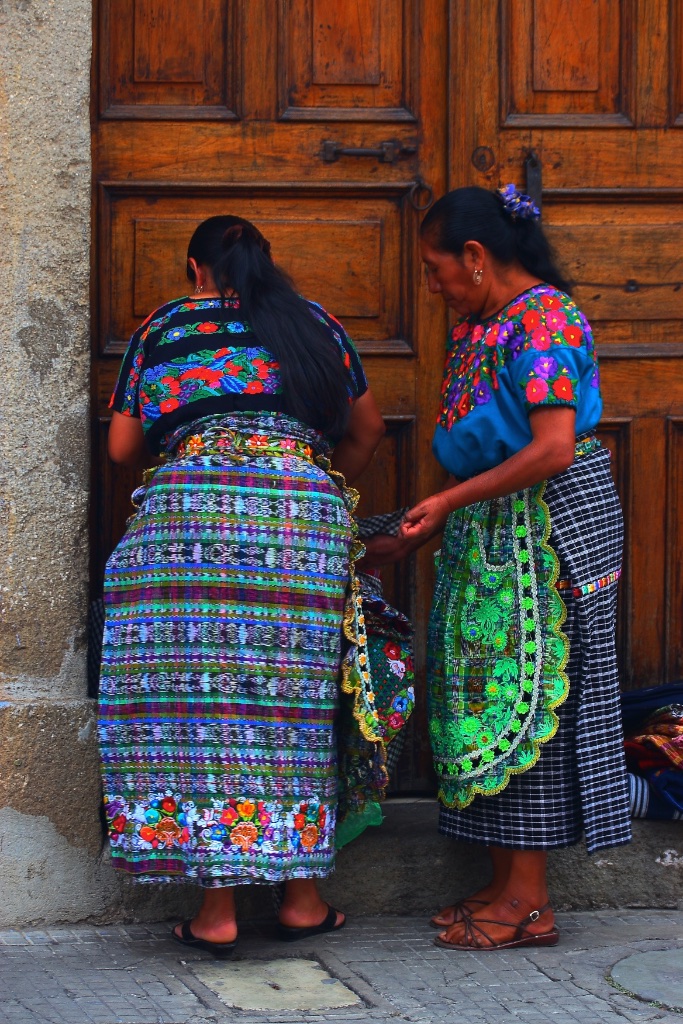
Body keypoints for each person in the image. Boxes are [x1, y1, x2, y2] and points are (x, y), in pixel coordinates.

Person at [98, 215, 386, 956]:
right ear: (266, 263)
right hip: (300, 522)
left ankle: (217, 913)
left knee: (201, 706)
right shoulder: (313, 321)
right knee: (294, 705)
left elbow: (123, 447)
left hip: (190, 524)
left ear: (196, 268)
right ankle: (301, 900)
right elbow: (367, 430)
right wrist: (304, 484)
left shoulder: (165, 327)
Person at [387, 185, 631, 950]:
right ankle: (503, 882)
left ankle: (528, 902)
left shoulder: (547, 321)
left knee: (527, 697)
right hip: (494, 523)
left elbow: (552, 446)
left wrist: (450, 498)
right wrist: (441, 515)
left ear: (475, 257)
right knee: (482, 691)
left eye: (434, 269)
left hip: (548, 523)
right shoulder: (482, 322)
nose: (430, 287)